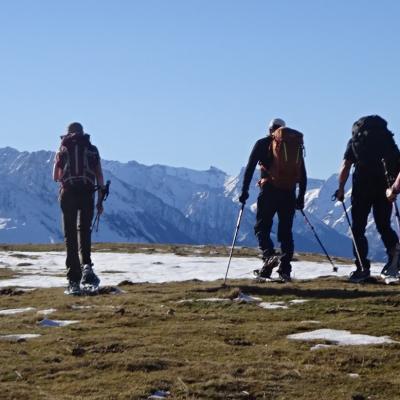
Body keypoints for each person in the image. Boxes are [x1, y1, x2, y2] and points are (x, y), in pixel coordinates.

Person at [239, 118, 307, 281]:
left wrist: (244, 191)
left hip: (269, 190)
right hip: (289, 192)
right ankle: (285, 269)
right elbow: (302, 174)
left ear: (270, 129)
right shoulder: (293, 147)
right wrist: (300, 197)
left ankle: (268, 256)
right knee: (285, 232)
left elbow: (249, 168)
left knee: (262, 227)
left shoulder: (262, 144)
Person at [335, 115, 400, 283]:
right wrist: (394, 189)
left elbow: (345, 166)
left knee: (358, 228)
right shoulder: (388, 141)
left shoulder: (355, 141)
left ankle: (362, 268)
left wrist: (341, 189)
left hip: (361, 187)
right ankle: (395, 258)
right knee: (383, 225)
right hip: (384, 188)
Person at [53, 122, 105, 295]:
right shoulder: (91, 148)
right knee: (84, 231)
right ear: (83, 133)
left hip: (68, 194)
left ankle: (73, 280)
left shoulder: (63, 148)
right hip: (87, 194)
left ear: (67, 133)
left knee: (70, 235)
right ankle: (87, 268)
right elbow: (99, 175)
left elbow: (56, 176)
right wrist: (100, 201)